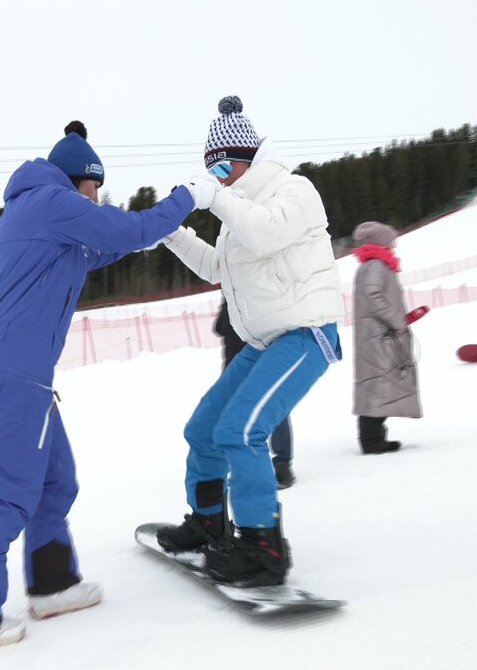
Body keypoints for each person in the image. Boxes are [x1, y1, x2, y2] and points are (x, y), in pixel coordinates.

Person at [0, 121, 217, 647]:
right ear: (80, 180)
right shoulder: (51, 201)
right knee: (13, 491)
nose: (98, 198)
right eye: (96, 188)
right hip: (16, 368)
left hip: (16, 365)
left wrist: (144, 237)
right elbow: (119, 230)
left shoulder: (37, 210)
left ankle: (53, 584)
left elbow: (98, 249)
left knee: (54, 478)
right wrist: (188, 196)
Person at [156, 96, 344, 587]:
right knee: (204, 429)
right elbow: (220, 269)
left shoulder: (293, 190)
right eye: (209, 170)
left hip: (306, 333)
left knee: (241, 432)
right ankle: (208, 522)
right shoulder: (235, 210)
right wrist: (171, 233)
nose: (216, 177)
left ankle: (263, 546)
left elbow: (267, 234)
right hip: (263, 339)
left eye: (221, 166)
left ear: (249, 158)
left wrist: (216, 199)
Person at [351, 221, 421, 453]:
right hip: (379, 336)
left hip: (377, 335)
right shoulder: (376, 266)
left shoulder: (374, 265)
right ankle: (372, 441)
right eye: (391, 240)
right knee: (378, 383)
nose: (394, 245)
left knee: (378, 383)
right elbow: (374, 297)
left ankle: (374, 437)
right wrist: (397, 321)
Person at [214, 301, 295, 489]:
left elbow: (220, 327)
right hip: (255, 365)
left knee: (242, 417)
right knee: (273, 411)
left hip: (244, 367)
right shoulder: (258, 299)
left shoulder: (236, 300)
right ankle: (280, 464)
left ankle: (263, 466)